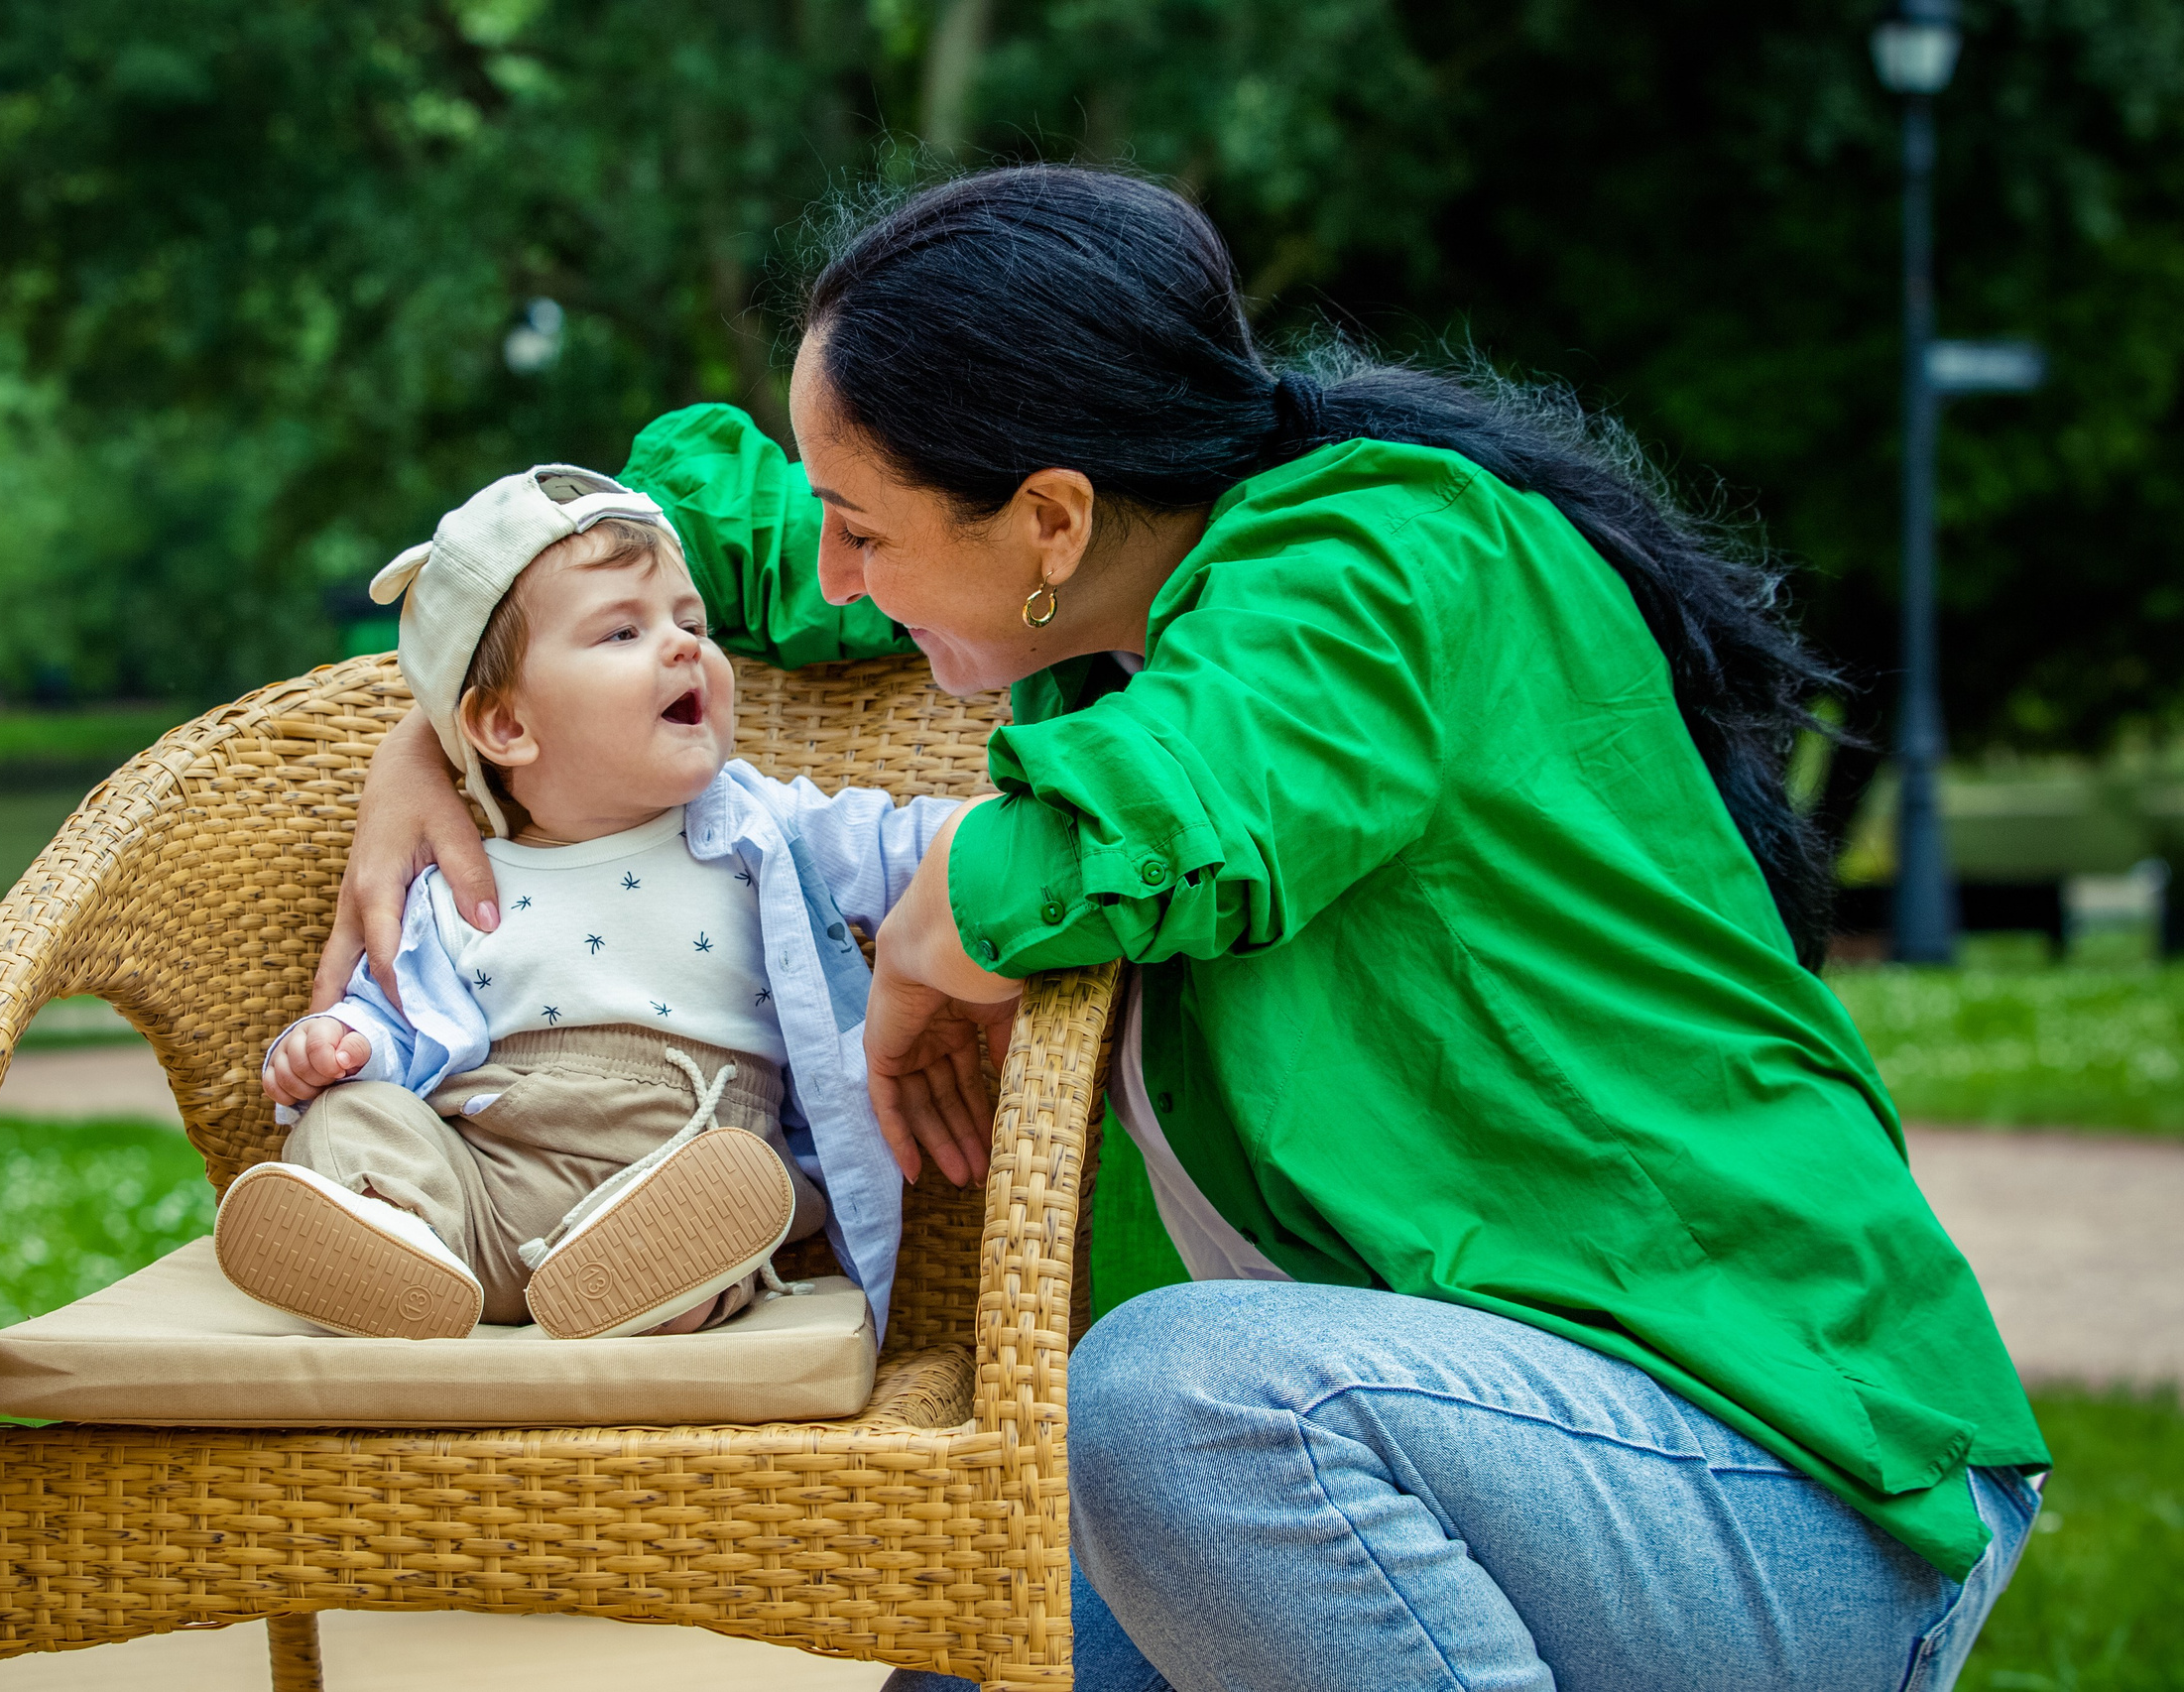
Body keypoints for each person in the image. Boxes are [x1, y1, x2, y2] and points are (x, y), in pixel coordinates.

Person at [316, 168, 2044, 1690]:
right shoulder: (1117, 594)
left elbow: (1160, 821)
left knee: (1174, 1402)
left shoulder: (1382, 559)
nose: (833, 577)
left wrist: (936, 929)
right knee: (982, 1651)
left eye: (871, 532)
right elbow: (663, 536)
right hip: (1491, 1452)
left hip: (1788, 1485)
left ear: (1051, 520)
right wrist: (444, 725)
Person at [221, 463, 961, 1344]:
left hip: (682, 1161)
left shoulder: (759, 824)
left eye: (691, 623)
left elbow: (906, 848)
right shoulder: (462, 876)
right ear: (505, 728)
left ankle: (637, 1289)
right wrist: (338, 1046)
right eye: (622, 633)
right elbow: (399, 1018)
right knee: (352, 1118)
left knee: (734, 1192)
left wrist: (1026, 810)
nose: (685, 645)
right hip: (486, 1189)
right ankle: (395, 1249)